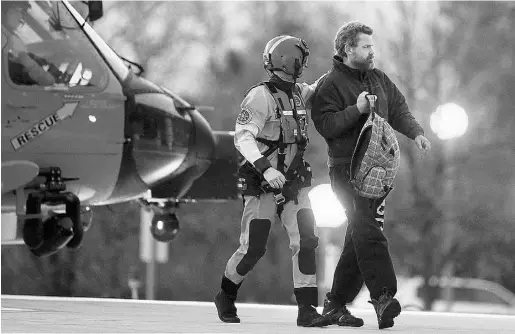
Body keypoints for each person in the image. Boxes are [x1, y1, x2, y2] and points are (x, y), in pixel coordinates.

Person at [311, 21, 431, 329]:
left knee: (358, 238)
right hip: (346, 172)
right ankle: (384, 296)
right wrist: (357, 109)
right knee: (367, 230)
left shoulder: (379, 79)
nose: (371, 51)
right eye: (366, 46)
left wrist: (415, 132)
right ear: (348, 49)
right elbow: (326, 126)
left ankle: (336, 304)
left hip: (376, 174)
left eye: (372, 46)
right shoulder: (329, 85)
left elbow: (399, 108)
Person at [214, 35, 331, 327]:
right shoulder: (259, 97)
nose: (304, 64)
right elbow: (243, 137)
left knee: (306, 240)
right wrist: (266, 170)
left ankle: (307, 310)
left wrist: (342, 67)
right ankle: (226, 295)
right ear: (292, 61)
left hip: (294, 185)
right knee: (253, 248)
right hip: (263, 185)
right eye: (301, 59)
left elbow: (317, 88)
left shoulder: (297, 94)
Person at [1, 1, 56, 86]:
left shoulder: (7, 34)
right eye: (19, 11)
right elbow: (29, 64)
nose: (21, 18)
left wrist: (37, 58)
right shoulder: (7, 37)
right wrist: (51, 83)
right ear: (8, 12)